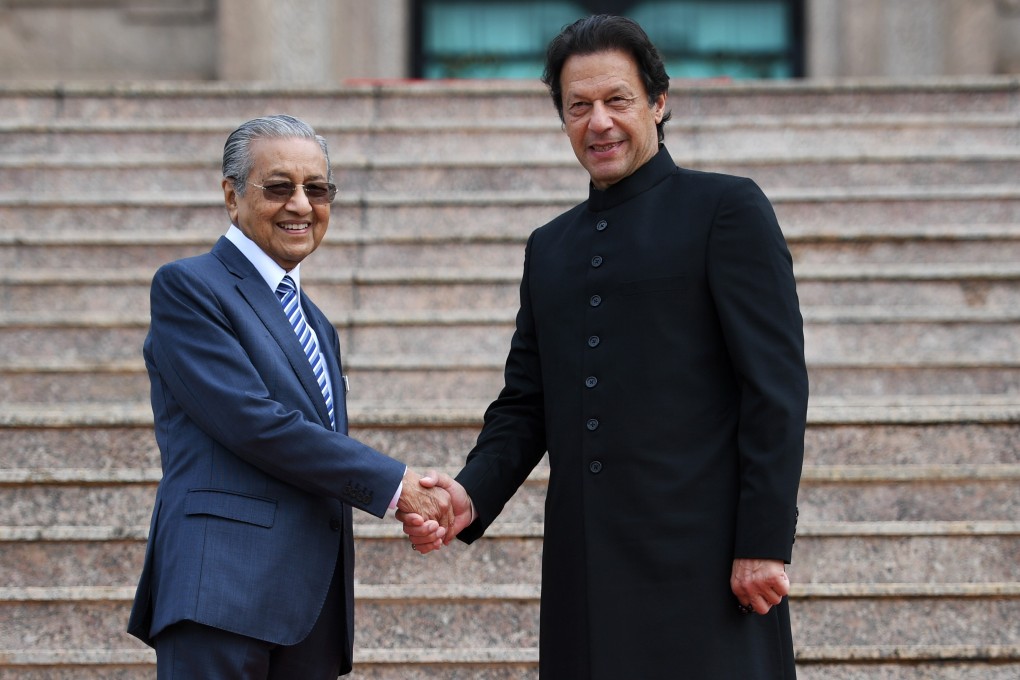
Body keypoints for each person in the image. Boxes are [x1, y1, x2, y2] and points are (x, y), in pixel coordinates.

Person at [400, 15, 809, 679]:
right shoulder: (550, 246)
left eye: (617, 100)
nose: (599, 123)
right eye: (577, 107)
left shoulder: (726, 210)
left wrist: (762, 542)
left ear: (658, 100)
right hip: (585, 567)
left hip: (704, 565)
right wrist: (472, 494)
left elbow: (775, 389)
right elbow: (526, 402)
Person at [127, 114, 453, 679]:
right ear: (232, 197)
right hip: (220, 595)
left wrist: (403, 498)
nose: (301, 205)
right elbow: (255, 422)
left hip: (306, 608)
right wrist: (395, 487)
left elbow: (316, 450)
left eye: (317, 189)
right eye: (279, 188)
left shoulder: (316, 323)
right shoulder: (189, 287)